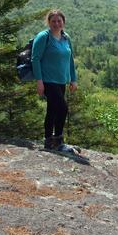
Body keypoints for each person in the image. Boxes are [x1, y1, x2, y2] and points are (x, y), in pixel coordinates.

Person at [32, 9, 77, 151]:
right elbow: (35, 59)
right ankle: (58, 142)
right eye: (53, 21)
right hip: (48, 80)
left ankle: (48, 141)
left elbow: (70, 59)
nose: (56, 24)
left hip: (61, 80)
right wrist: (39, 81)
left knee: (52, 110)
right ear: (48, 22)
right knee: (63, 109)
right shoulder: (43, 37)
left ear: (63, 22)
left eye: (59, 21)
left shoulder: (66, 37)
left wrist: (73, 79)